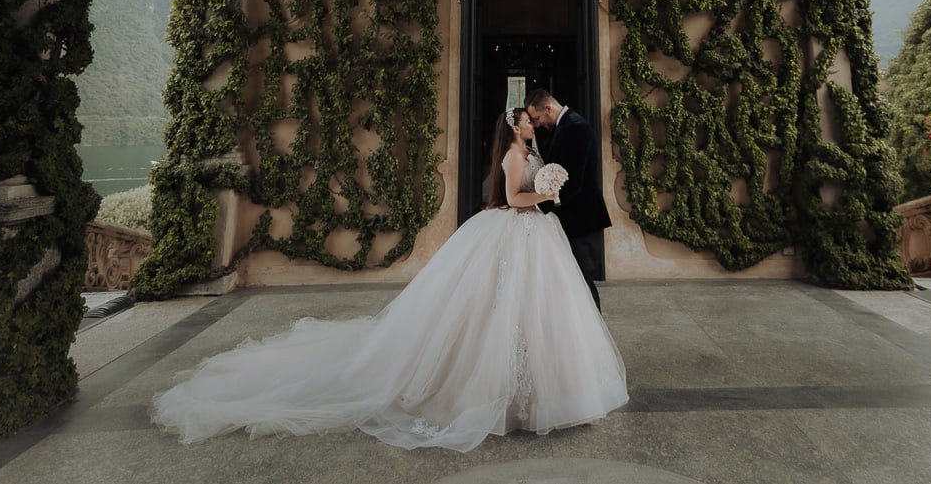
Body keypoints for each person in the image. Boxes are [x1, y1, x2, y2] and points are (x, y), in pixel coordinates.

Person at [151, 107, 628, 453]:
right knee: (497, 308)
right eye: (525, 120)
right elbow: (507, 199)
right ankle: (495, 392)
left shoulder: (530, 151)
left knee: (542, 310)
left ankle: (546, 391)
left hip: (536, 238)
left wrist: (549, 187)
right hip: (516, 230)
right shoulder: (512, 157)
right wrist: (544, 196)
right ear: (513, 126)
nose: (531, 124)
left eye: (530, 120)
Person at [525, 88, 612, 310]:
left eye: (536, 118)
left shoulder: (576, 128)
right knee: (571, 279)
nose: (536, 125)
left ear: (548, 108)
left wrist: (539, 205)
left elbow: (573, 183)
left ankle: (595, 332)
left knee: (583, 278)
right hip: (570, 216)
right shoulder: (561, 127)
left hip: (580, 218)